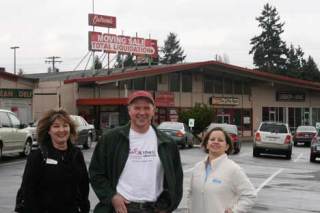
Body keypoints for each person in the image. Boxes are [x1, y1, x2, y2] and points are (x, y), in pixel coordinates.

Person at [89, 90, 183, 213]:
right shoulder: (111, 139)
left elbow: (176, 180)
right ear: (129, 110)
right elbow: (96, 173)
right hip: (121, 209)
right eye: (137, 108)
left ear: (153, 110)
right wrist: (112, 197)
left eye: (146, 108)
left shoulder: (167, 143)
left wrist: (167, 206)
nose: (142, 112)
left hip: (154, 209)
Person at [20, 108, 90, 213]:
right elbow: (28, 192)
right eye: (56, 126)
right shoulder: (38, 156)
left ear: (70, 128)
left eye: (65, 125)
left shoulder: (76, 154)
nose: (61, 130)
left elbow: (83, 187)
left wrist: (84, 208)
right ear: (48, 130)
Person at [188, 127, 256, 213]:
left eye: (220, 140)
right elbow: (191, 194)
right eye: (212, 139)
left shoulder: (233, 169)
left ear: (227, 146)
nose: (216, 142)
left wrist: (235, 211)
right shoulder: (197, 167)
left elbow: (250, 195)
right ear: (207, 144)